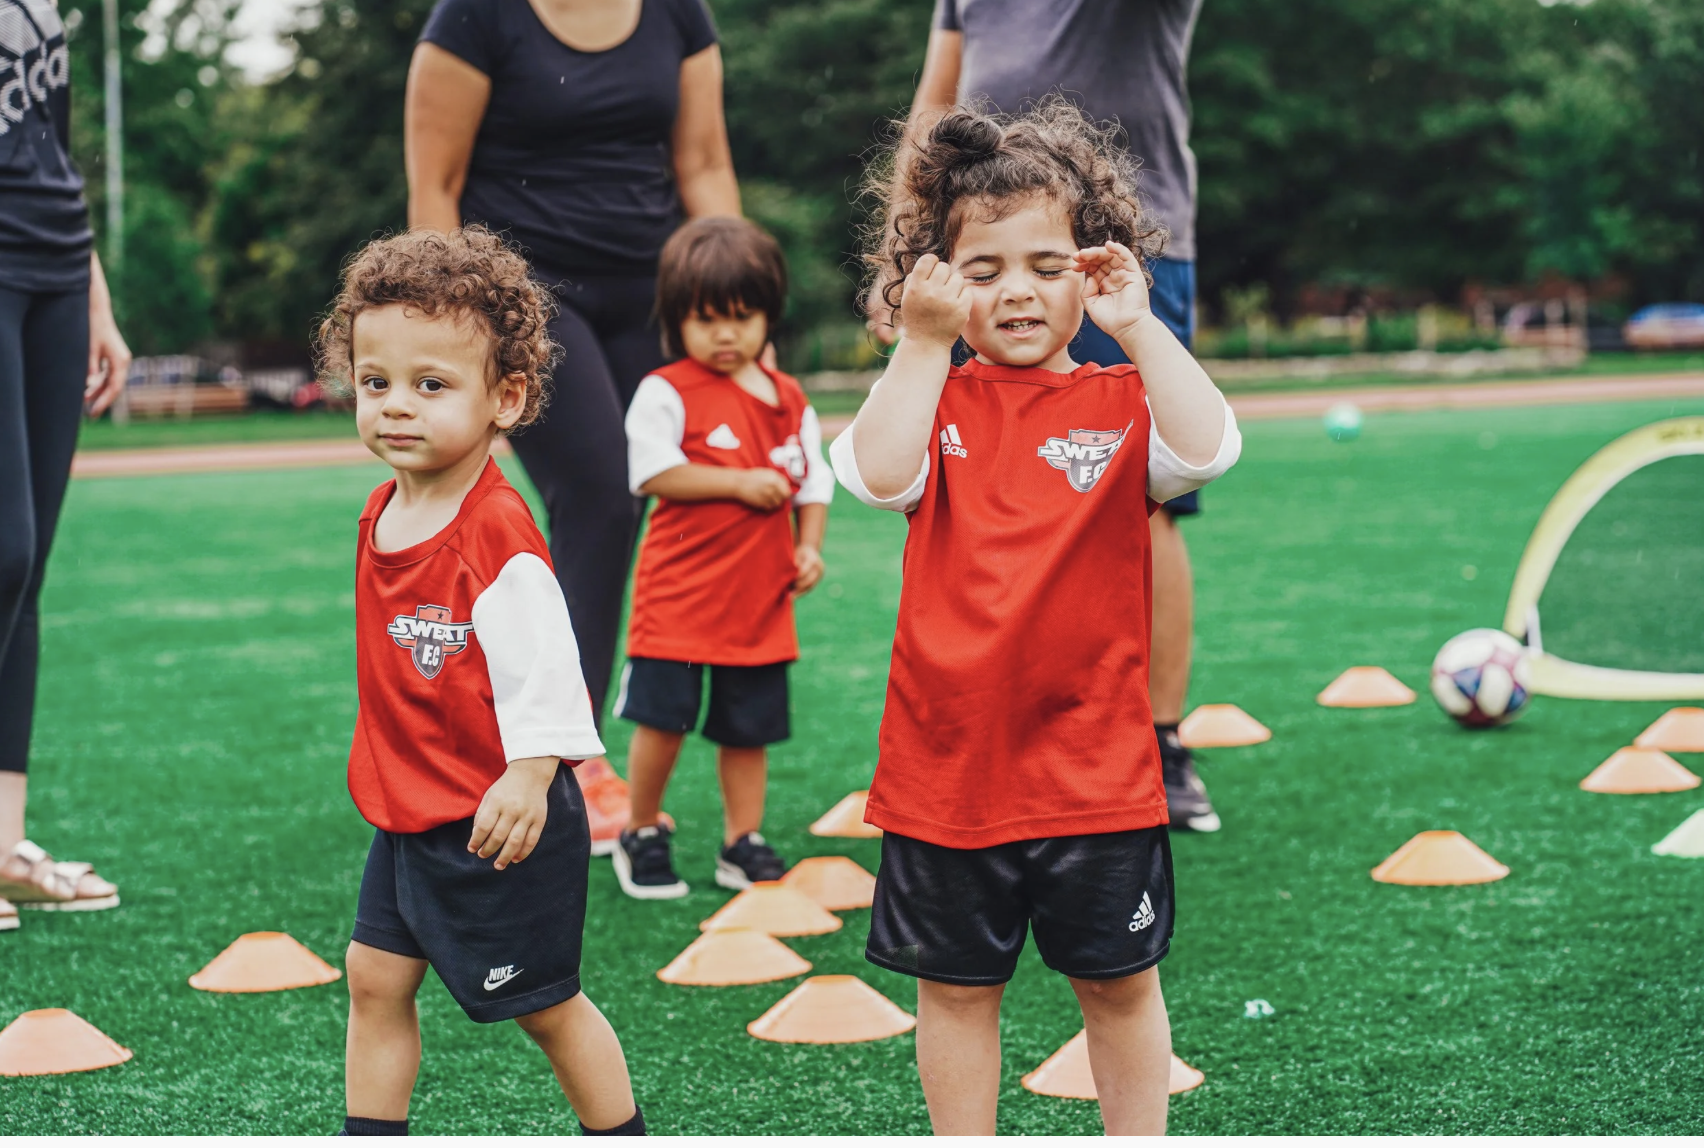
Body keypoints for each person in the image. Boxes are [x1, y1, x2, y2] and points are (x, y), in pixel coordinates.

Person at [831, 103, 1241, 1134]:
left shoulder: (1119, 399)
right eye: (982, 269)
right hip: (948, 773)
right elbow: (878, 476)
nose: (1016, 288)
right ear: (935, 283)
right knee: (957, 991)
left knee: (1119, 985)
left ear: (1091, 269)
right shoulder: (931, 400)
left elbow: (1209, 449)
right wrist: (921, 345)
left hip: (1096, 774)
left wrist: (1141, 324)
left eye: (1047, 262)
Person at [317, 228, 641, 1136]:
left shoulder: (494, 530)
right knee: (375, 977)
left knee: (545, 1008)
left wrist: (533, 772)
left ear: (506, 398)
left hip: (500, 820)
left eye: (431, 385)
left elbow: (549, 662)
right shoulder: (384, 508)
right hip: (412, 810)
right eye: (375, 382)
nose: (395, 407)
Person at [876, 0, 1222, 832]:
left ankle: (1157, 738)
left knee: (1139, 499)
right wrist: (899, 266)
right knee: (974, 485)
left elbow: (1200, 453)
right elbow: (934, 104)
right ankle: (990, 724)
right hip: (971, 246)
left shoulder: (1104, 264)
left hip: (1107, 248)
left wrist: (1128, 315)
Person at [404, 0, 741, 775]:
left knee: (665, 487)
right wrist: (452, 328)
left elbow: (705, 164)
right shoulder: (475, 19)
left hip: (654, 291)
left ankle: (563, 726)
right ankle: (566, 759)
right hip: (530, 292)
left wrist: (731, 289)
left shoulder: (677, 14)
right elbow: (437, 186)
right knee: (597, 493)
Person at [611, 218, 832, 900]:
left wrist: (808, 546)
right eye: (706, 319)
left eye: (743, 317)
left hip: (758, 602)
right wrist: (737, 483)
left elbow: (813, 480)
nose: (726, 334)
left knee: (749, 729)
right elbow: (651, 473)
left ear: (770, 315)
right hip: (678, 598)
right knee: (664, 719)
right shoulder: (666, 390)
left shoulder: (792, 400)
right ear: (677, 319)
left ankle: (744, 841)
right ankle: (640, 829)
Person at [0, 0, 131, 927]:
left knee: (27, 565)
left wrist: (94, 293)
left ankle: (1, 847)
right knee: (1, 549)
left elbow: (51, 136)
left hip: (54, 257)